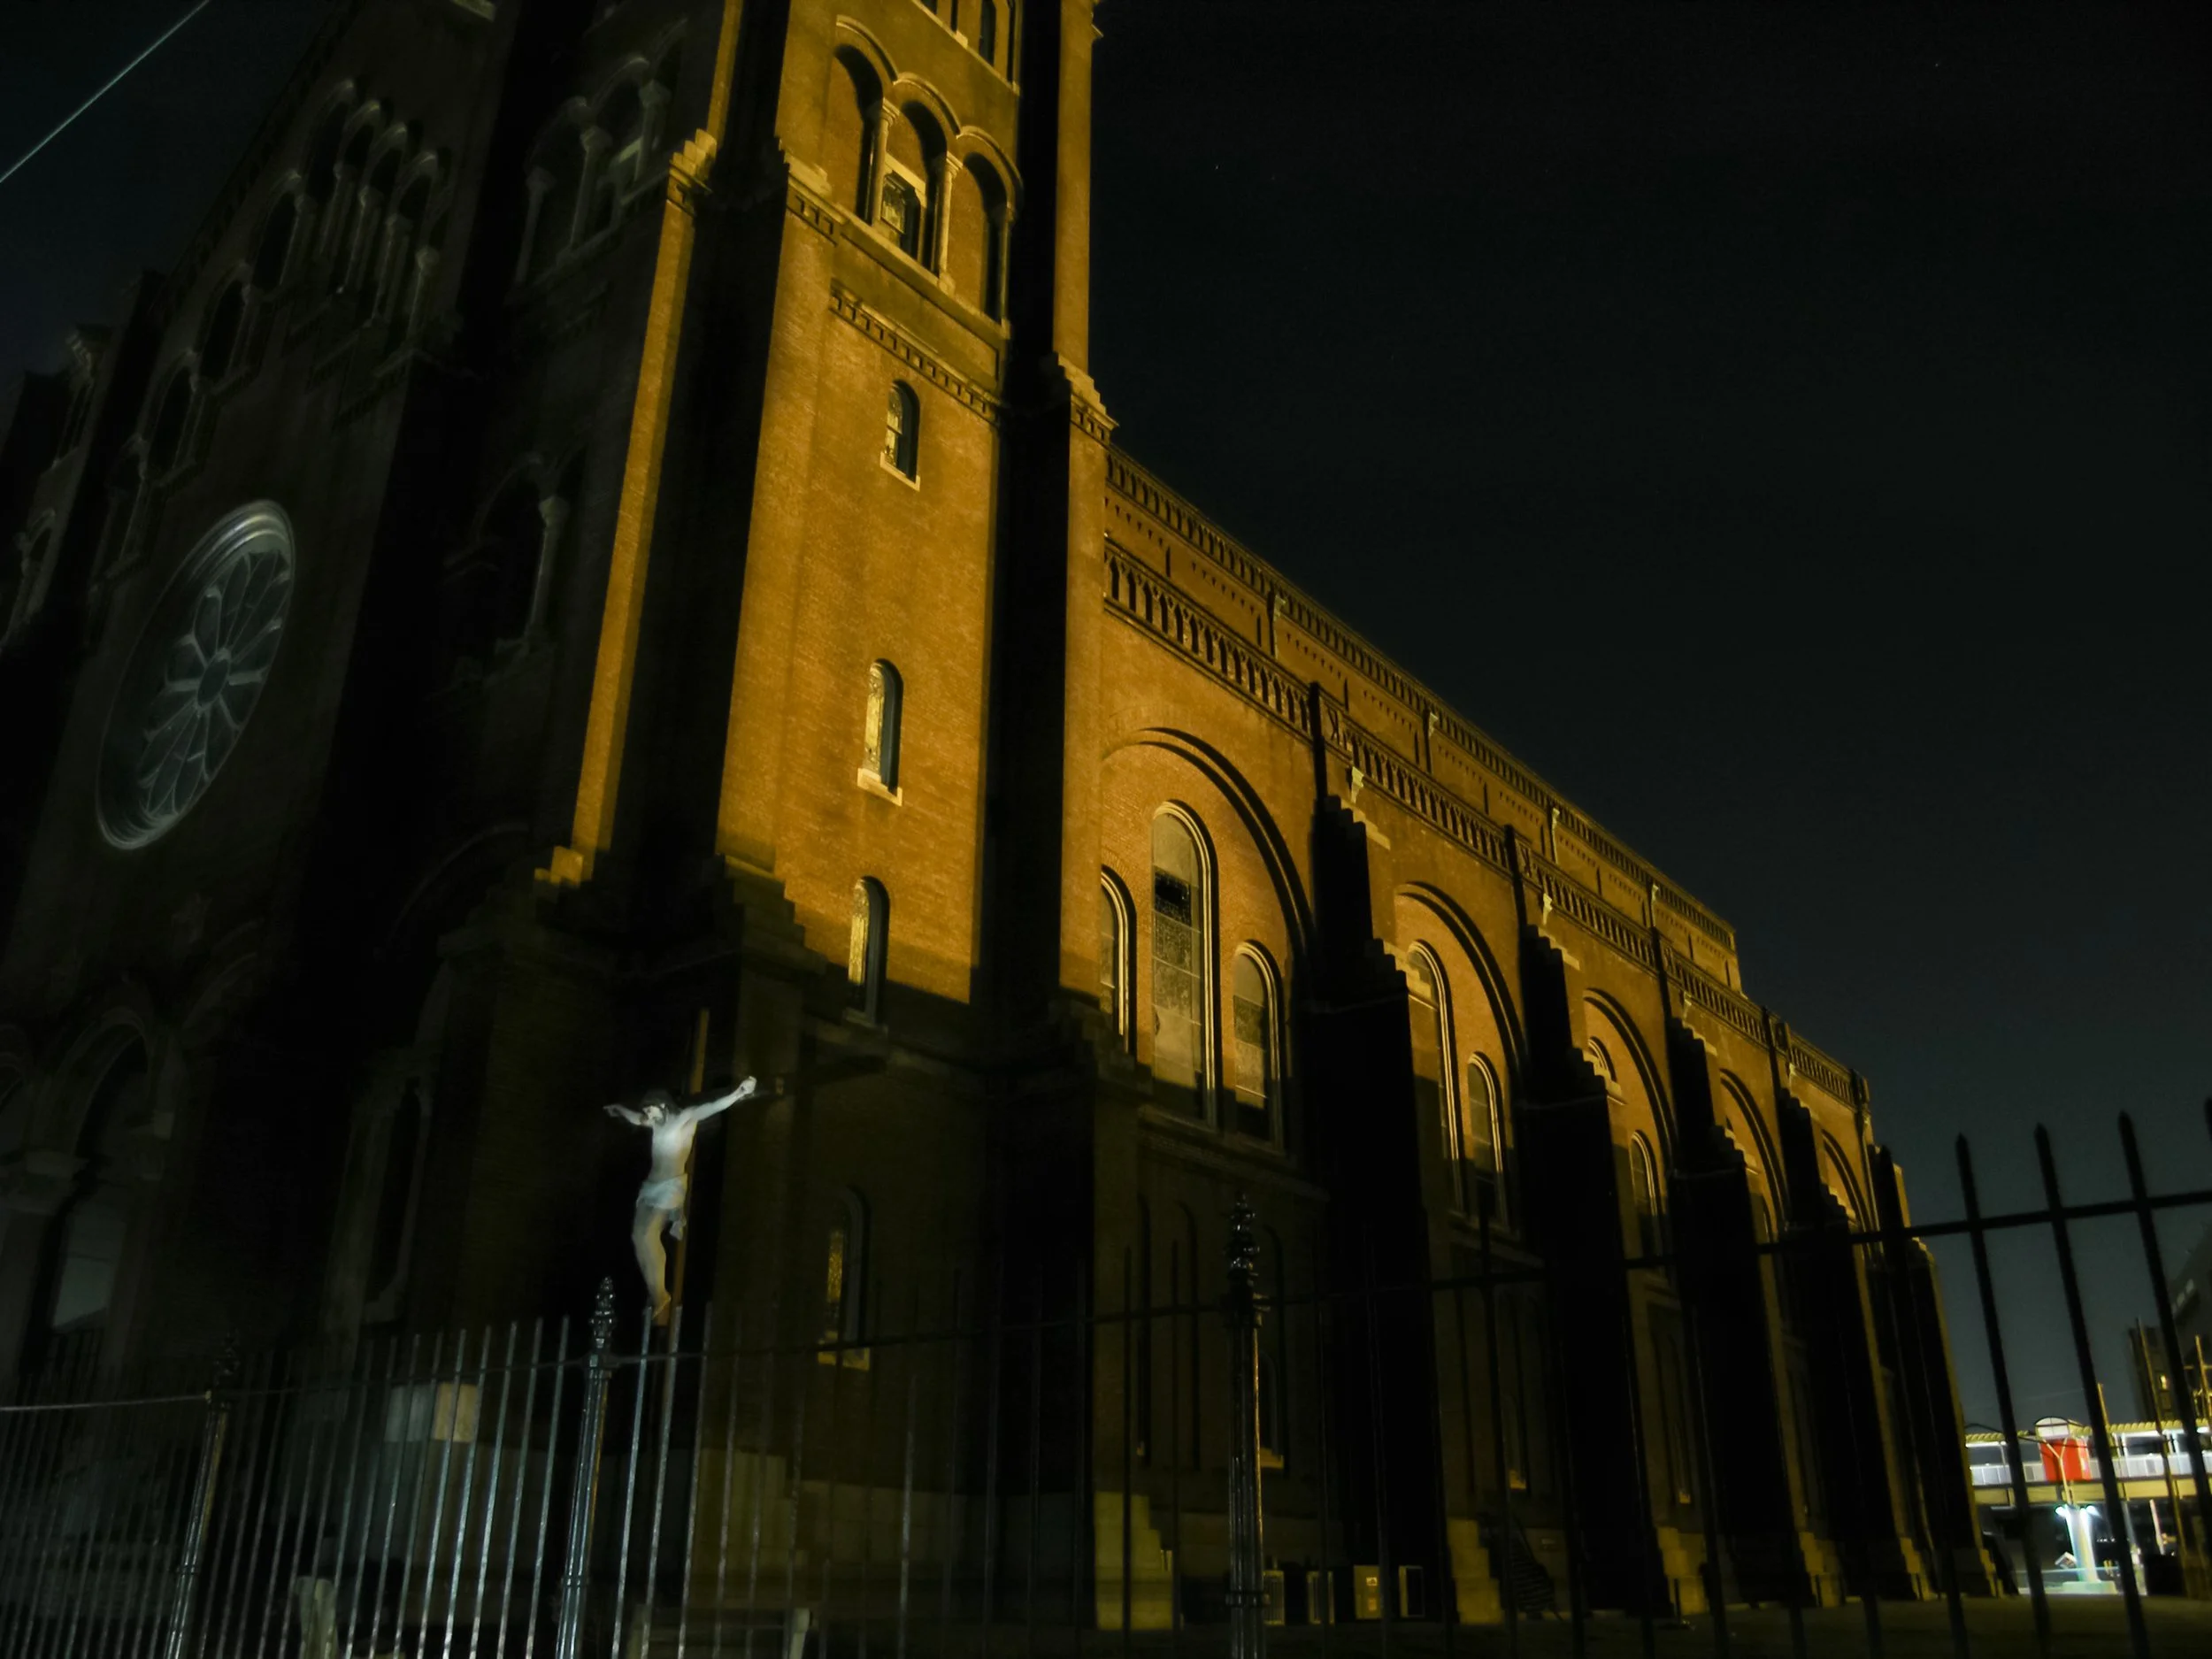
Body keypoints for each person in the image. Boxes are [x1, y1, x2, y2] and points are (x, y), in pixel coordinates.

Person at [605, 1077, 771, 1323]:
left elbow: (713, 1107)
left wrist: (739, 1093)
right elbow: (636, 1119)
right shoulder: (656, 1124)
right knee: (637, 1237)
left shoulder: (684, 1119)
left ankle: (661, 1297)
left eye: (650, 1110)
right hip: (650, 1188)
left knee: (649, 1235)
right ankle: (656, 1290)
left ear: (662, 1106)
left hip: (669, 1188)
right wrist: (619, 1109)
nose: (647, 1116)